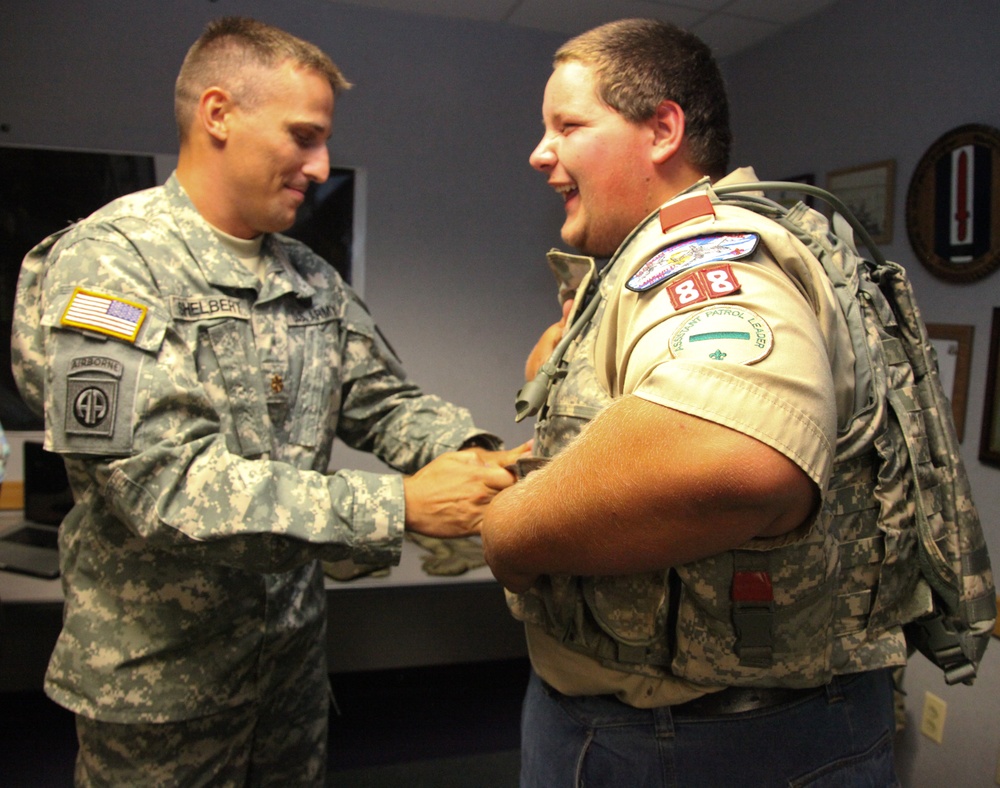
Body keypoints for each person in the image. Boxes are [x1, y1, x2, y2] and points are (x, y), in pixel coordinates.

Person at [11, 17, 527, 786]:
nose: (322, 166)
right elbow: (160, 486)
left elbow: (384, 402)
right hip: (162, 693)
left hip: (287, 674)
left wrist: (473, 456)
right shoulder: (109, 265)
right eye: (304, 136)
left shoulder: (309, 279)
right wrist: (397, 507)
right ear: (219, 114)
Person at [481, 18, 902, 787]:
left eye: (568, 125)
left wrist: (507, 531)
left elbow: (732, 455)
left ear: (662, 130)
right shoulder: (649, 263)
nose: (541, 153)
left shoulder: (702, 256)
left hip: (697, 746)